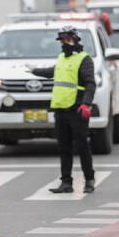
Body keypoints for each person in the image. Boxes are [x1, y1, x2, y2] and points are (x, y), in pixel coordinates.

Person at [31, 26, 97, 193]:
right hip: (60, 109)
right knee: (64, 147)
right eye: (62, 40)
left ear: (75, 40)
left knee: (82, 146)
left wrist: (86, 103)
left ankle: (89, 179)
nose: (64, 43)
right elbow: (52, 72)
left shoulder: (84, 59)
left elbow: (90, 83)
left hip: (77, 109)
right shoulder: (61, 58)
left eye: (67, 40)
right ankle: (66, 182)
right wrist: (34, 70)